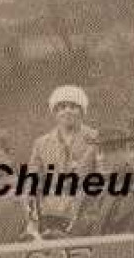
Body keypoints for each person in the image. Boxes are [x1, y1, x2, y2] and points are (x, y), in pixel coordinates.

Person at [27, 85, 99, 235]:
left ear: (82, 111)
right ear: (54, 112)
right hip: (50, 212)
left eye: (73, 106)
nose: (67, 111)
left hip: (85, 209)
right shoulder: (41, 143)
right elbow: (33, 179)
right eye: (61, 107)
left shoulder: (95, 138)